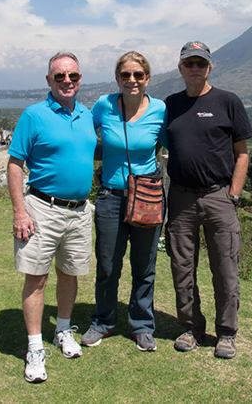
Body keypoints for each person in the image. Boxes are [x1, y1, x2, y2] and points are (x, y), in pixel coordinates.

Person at [7, 52, 97, 384]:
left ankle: (62, 329)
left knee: (70, 274)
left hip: (79, 211)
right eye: (59, 76)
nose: (67, 81)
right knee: (37, 277)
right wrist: (19, 211)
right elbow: (15, 163)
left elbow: (87, 151)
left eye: (72, 76)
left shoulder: (88, 115)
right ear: (49, 80)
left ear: (80, 78)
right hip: (41, 208)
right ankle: (34, 347)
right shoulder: (34, 115)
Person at [165, 41, 252, 359]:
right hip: (180, 199)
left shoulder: (228, 101)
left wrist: (233, 194)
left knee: (226, 269)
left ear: (209, 67)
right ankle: (190, 328)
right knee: (181, 268)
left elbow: (241, 155)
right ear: (180, 69)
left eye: (200, 63)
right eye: (189, 63)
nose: (195, 68)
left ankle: (227, 333)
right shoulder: (170, 105)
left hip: (219, 197)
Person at [81, 51, 167, 352]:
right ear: (117, 78)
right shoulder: (104, 105)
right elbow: (83, 138)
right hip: (110, 199)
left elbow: (170, 142)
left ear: (147, 78)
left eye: (138, 75)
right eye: (125, 75)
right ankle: (103, 321)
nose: (132, 80)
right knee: (107, 265)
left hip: (146, 198)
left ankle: (142, 325)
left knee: (145, 266)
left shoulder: (159, 109)